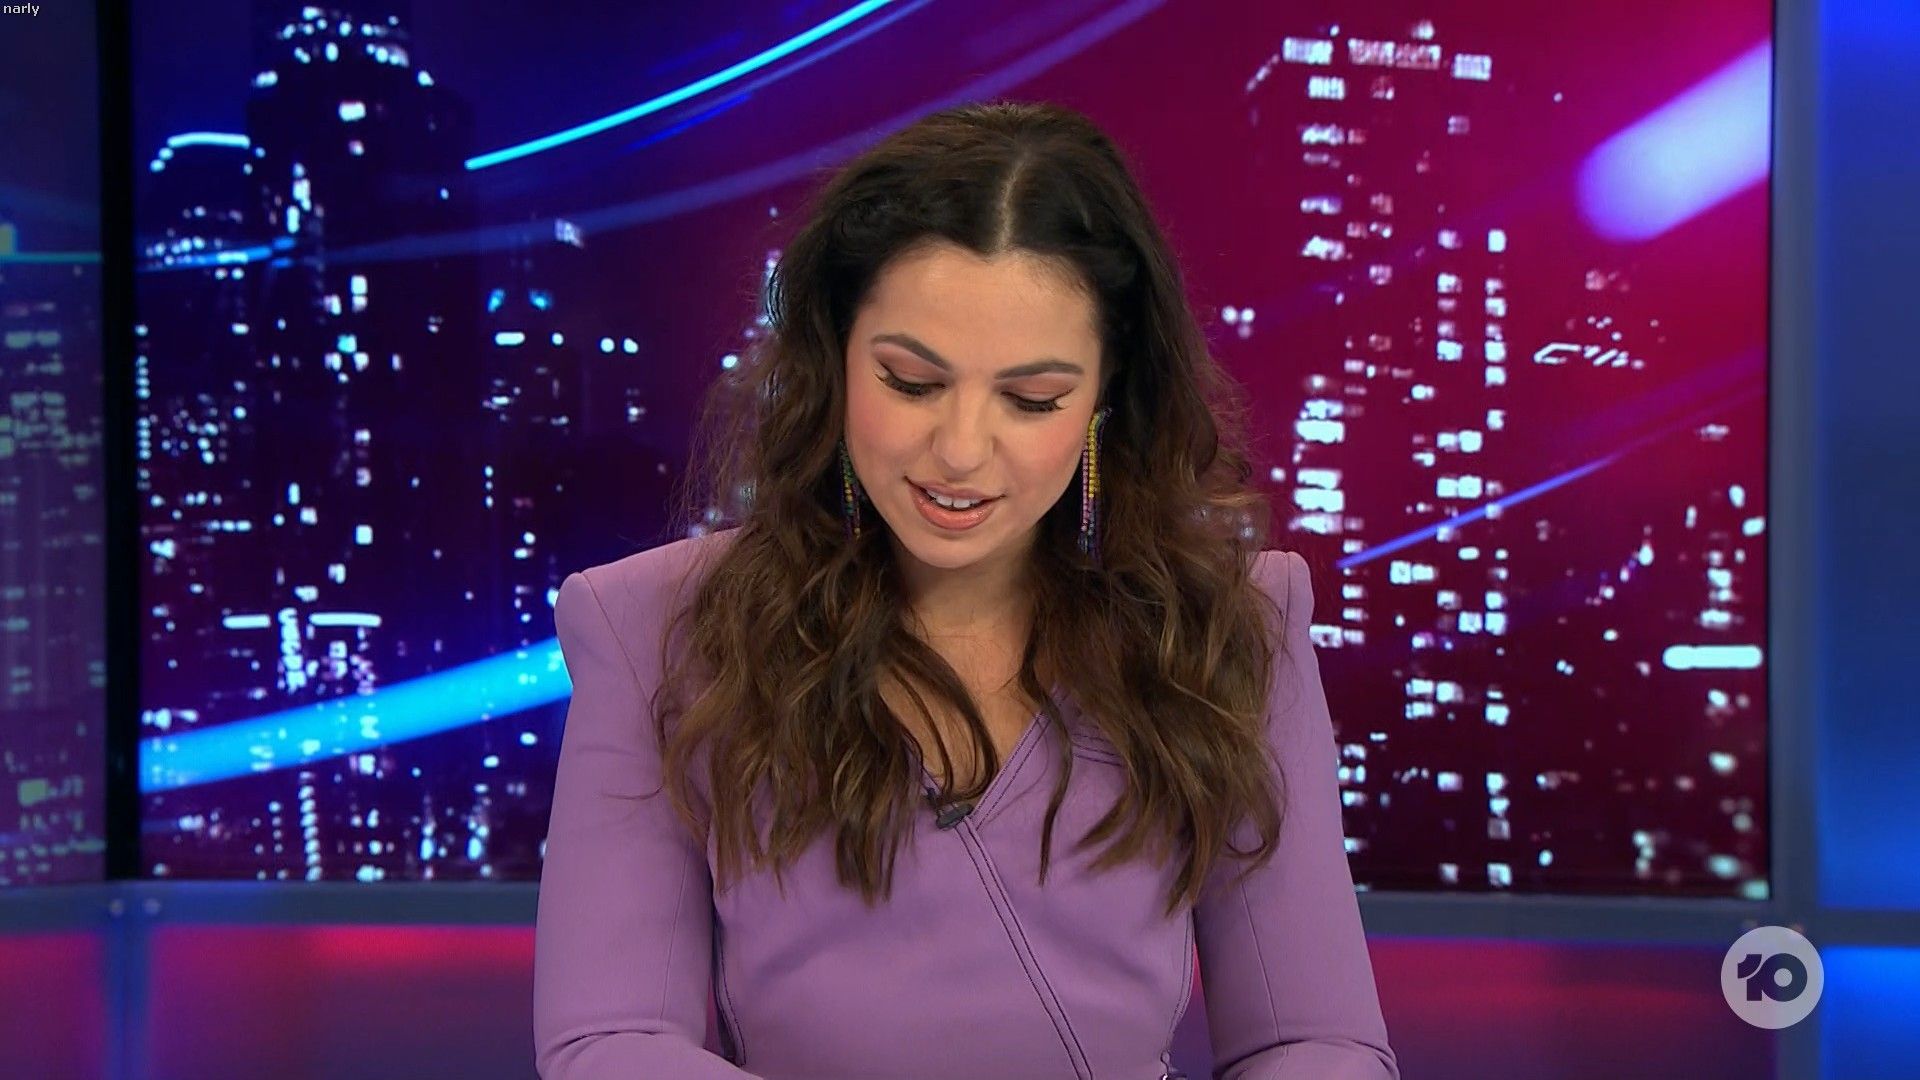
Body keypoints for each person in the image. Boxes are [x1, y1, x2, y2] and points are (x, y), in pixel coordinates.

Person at [533, 100, 1398, 1079]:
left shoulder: (1231, 628)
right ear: (833, 360)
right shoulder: (654, 628)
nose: (960, 451)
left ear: (1106, 398)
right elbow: (612, 1041)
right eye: (911, 382)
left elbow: (1312, 1039)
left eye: (1031, 400)